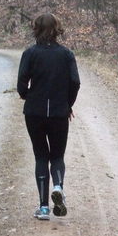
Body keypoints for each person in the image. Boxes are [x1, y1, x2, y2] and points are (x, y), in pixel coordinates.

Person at [17, 13, 80, 220]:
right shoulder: (67, 54)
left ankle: (44, 208)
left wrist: (27, 96)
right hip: (59, 112)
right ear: (57, 29)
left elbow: (21, 83)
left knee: (41, 156)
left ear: (36, 29)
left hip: (34, 111)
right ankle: (58, 186)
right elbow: (75, 82)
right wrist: (68, 104)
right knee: (58, 156)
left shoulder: (30, 53)